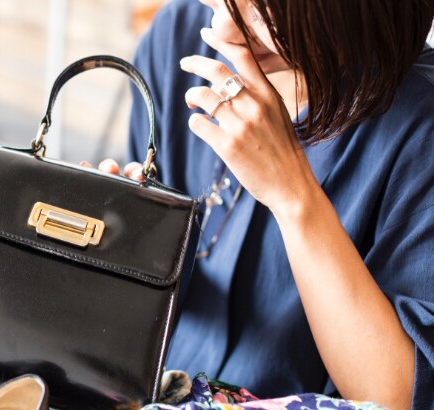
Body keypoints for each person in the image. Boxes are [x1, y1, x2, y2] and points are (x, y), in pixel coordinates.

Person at [95, 0, 433, 408]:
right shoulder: (177, 36)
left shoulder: (420, 128)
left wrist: (293, 194)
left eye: (261, 16)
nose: (222, 29)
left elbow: (396, 396)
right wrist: (114, 247)